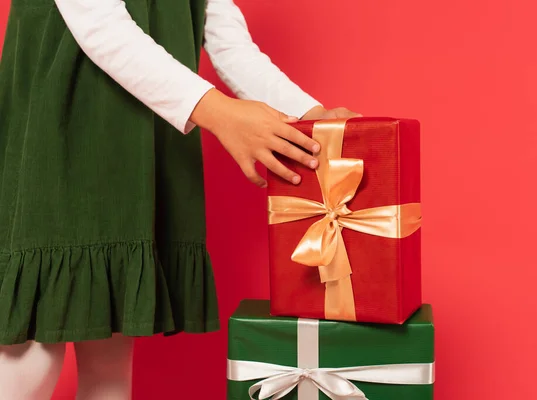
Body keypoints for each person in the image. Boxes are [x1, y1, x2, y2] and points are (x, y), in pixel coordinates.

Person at [0, 0, 360, 398]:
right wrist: (220, 113)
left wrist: (314, 117)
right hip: (60, 140)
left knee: (111, 353)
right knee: (31, 349)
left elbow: (228, 41)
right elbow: (100, 23)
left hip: (134, 155)